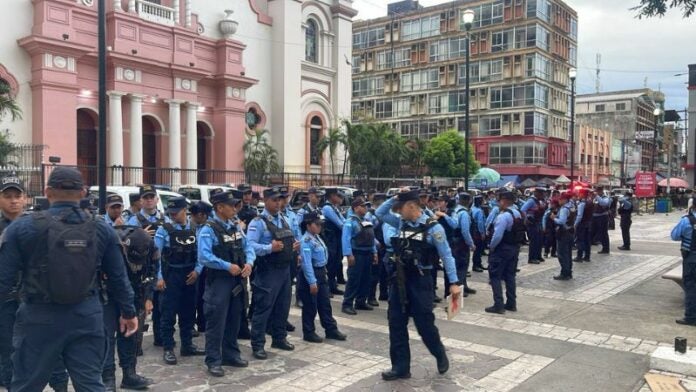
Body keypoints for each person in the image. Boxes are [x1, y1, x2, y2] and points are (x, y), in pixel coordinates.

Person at [0, 167, 138, 391]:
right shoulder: (102, 228)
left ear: (47, 192)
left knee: (26, 385)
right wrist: (129, 312)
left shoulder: (22, 228)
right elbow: (119, 278)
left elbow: (3, 280)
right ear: (83, 192)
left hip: (38, 317)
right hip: (86, 316)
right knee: (90, 384)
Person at [375, 189, 461, 380]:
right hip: (399, 279)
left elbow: (447, 255)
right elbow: (380, 213)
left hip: (421, 281)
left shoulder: (433, 228)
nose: (398, 211)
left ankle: (439, 353)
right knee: (396, 322)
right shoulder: (400, 222)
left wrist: (454, 282)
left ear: (411, 206)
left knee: (424, 325)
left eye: (401, 207)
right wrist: (396, 198)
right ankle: (400, 367)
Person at [198, 190, 255, 376]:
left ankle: (231, 354)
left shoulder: (235, 226)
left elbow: (248, 247)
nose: (234, 208)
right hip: (219, 282)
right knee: (216, 321)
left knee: (234, 318)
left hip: (237, 279)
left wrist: (249, 263)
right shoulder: (209, 229)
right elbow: (204, 256)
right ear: (219, 207)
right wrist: (225, 266)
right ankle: (213, 359)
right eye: (231, 205)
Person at [103, 227, 157, 391]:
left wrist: (148, 297)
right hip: (110, 294)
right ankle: (107, 378)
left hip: (135, 292)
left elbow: (153, 272)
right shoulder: (113, 247)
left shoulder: (152, 247)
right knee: (107, 336)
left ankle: (129, 374)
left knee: (131, 334)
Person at [247, 187, 297, 360]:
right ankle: (258, 344)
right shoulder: (258, 222)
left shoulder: (282, 218)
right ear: (266, 200)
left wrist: (293, 247)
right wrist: (270, 248)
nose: (278, 203)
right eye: (275, 200)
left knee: (282, 307)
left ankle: (279, 338)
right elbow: (250, 246)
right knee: (263, 309)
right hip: (267, 271)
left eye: (280, 200)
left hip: (284, 271)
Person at [155, 197, 205, 366]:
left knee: (189, 312)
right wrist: (159, 277)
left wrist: (197, 271)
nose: (173, 215)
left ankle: (187, 345)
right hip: (172, 275)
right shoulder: (164, 229)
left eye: (177, 212)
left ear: (185, 211)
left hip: (190, 275)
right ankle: (168, 348)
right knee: (168, 313)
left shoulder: (194, 228)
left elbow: (200, 253)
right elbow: (156, 256)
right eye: (171, 213)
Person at [297, 211, 347, 343]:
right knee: (310, 306)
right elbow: (306, 264)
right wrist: (312, 282)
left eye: (320, 224)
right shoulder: (306, 241)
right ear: (308, 225)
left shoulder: (317, 237)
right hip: (311, 275)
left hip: (320, 272)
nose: (320, 227)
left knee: (325, 304)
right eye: (317, 224)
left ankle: (331, 329)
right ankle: (309, 332)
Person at [128, 185, 168, 348]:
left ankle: (160, 337)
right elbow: (127, 242)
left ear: (157, 200)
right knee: (141, 305)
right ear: (141, 201)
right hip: (143, 268)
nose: (149, 200)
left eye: (152, 197)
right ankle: (136, 344)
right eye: (146, 197)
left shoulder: (165, 219)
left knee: (161, 305)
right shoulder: (134, 220)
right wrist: (141, 235)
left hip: (163, 265)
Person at [485, 191, 522, 313]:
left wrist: (491, 246)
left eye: (500, 200)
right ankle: (511, 303)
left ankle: (498, 304)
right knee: (510, 276)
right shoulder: (517, 213)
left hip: (502, 249)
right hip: (514, 248)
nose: (498, 203)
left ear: (505, 201)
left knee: (495, 276)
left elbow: (497, 235)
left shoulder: (503, 216)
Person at [341, 198, 378, 315]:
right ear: (356, 208)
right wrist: (348, 254)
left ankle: (361, 301)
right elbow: (345, 239)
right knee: (354, 280)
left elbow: (371, 237)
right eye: (363, 206)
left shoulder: (366, 220)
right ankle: (347, 304)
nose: (365, 208)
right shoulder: (350, 221)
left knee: (366, 279)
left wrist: (375, 252)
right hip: (357, 254)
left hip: (368, 253)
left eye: (366, 206)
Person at [190, 201, 213, 335]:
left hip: (207, 266)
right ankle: (191, 323)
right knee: (193, 296)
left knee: (204, 296)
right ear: (200, 215)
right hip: (193, 266)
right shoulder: (189, 226)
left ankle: (203, 322)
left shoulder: (209, 226)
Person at [671, 208, 696, 326]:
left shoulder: (686, 221)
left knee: (691, 287)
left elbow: (674, 236)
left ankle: (691, 317)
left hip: (691, 258)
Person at [449, 193, 476, 297]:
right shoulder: (464, 213)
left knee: (459, 264)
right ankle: (461, 288)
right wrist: (471, 244)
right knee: (462, 265)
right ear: (468, 201)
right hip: (461, 242)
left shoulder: (455, 210)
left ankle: (464, 285)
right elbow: (465, 231)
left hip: (454, 241)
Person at [321, 188, 346, 294]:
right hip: (330, 238)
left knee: (336, 262)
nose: (339, 197)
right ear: (331, 196)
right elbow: (339, 223)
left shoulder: (334, 208)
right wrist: (348, 228)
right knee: (330, 263)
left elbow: (343, 221)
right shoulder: (327, 208)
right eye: (337, 195)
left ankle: (332, 286)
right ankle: (327, 288)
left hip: (336, 238)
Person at [552, 192, 577, 280]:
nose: (559, 201)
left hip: (563, 232)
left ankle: (565, 273)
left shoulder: (564, 209)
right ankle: (569, 271)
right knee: (568, 253)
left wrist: (554, 218)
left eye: (560, 199)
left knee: (562, 254)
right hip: (570, 231)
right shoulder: (572, 206)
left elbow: (561, 221)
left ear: (564, 200)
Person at [521, 188, 547, 264]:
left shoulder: (540, 201)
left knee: (539, 240)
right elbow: (523, 209)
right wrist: (526, 218)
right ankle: (532, 258)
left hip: (538, 223)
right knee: (534, 241)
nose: (543, 195)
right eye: (541, 193)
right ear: (536, 193)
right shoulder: (531, 201)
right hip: (532, 223)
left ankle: (538, 256)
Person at [574, 189, 593, 262]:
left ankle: (579, 256)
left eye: (579, 193)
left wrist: (575, 224)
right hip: (588, 223)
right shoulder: (590, 202)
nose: (578, 195)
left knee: (580, 240)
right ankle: (587, 256)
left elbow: (579, 216)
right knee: (587, 240)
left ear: (583, 194)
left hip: (582, 224)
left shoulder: (582, 203)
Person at [592, 187, 612, 254]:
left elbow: (603, 203)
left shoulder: (605, 198)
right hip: (595, 217)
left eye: (597, 191)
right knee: (594, 233)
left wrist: (597, 196)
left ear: (601, 191)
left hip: (602, 217)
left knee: (604, 233)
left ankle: (606, 249)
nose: (596, 192)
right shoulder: (595, 198)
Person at [471, 195, 487, 272]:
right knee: (478, 249)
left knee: (477, 249)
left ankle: (478, 263)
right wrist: (482, 233)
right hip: (478, 232)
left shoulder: (472, 209)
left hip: (474, 231)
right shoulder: (479, 211)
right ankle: (476, 265)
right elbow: (480, 223)